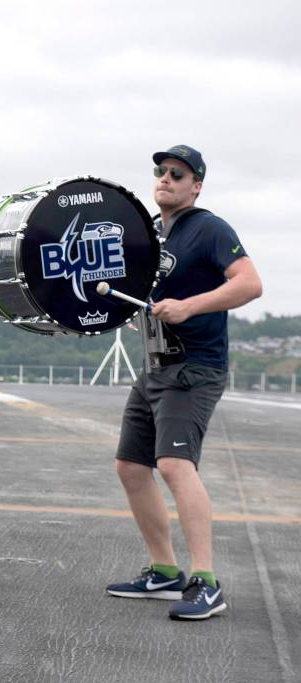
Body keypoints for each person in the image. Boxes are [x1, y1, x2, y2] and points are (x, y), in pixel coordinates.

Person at [106, 145, 262, 620]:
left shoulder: (210, 228)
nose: (165, 178)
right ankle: (165, 572)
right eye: (160, 171)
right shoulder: (151, 233)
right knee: (132, 467)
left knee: (174, 465)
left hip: (195, 367)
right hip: (157, 364)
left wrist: (190, 306)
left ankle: (207, 582)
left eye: (177, 173)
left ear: (196, 186)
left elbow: (250, 283)